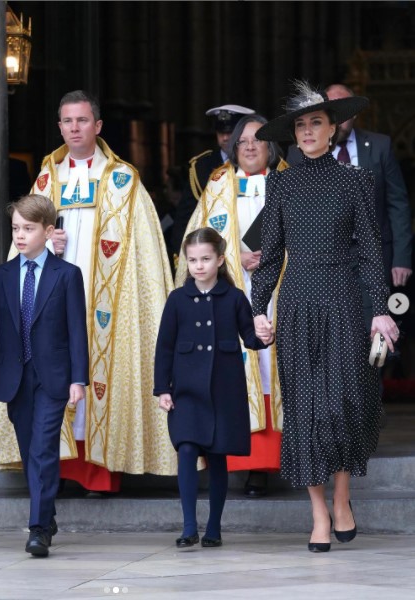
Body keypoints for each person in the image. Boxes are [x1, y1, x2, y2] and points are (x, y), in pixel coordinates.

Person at [0, 90, 176, 491]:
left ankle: (101, 470)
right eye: (67, 121)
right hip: (51, 293)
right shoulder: (46, 179)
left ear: (98, 126)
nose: (74, 128)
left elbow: (143, 257)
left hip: (107, 298)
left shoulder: (124, 180)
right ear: (59, 126)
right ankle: (60, 469)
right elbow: (22, 237)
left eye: (82, 120)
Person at [251, 80, 400, 552]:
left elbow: (372, 255)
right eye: (301, 125)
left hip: (343, 301)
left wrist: (380, 311)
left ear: (333, 128)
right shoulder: (281, 183)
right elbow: (270, 254)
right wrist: (257, 308)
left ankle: (341, 498)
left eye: (317, 122)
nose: (309, 131)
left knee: (342, 406)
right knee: (304, 413)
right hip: (296, 303)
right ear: (293, 136)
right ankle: (317, 513)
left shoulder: (356, 180)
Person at [0, 195, 88, 558]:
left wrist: (78, 379)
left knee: (44, 449)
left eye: (28, 229)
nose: (19, 235)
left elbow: (78, 331)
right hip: (15, 377)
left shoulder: (67, 275)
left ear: (48, 232)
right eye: (15, 228)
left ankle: (37, 530)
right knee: (31, 451)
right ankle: (46, 516)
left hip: (53, 377)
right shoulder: (0, 276)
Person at [175, 114, 287, 498]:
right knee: (241, 367)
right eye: (242, 142)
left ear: (272, 145)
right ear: (233, 147)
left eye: (258, 140)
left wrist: (274, 257)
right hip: (231, 292)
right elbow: (199, 236)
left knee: (274, 365)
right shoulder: (219, 184)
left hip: (281, 293)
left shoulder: (288, 180)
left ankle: (278, 460)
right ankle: (247, 466)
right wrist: (234, 257)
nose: (251, 147)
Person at [154, 227, 266, 548]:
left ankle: (213, 527)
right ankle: (189, 526)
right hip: (186, 392)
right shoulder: (177, 299)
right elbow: (164, 347)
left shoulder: (233, 298)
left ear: (219, 259)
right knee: (186, 450)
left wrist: (265, 335)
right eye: (192, 260)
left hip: (223, 392)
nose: (199, 266)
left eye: (205, 258)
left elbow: (251, 336)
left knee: (218, 458)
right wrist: (163, 388)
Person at [287, 83, 412, 319]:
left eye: (342, 111)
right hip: (323, 261)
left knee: (377, 329)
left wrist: (402, 258)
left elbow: (398, 205)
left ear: (353, 113)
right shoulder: (300, 151)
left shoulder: (380, 145)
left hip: (373, 256)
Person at [171, 104, 255, 260]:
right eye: (220, 132)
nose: (225, 137)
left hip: (252, 251)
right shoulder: (201, 167)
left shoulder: (259, 162)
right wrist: (183, 256)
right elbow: (185, 218)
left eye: (230, 132)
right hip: (212, 253)